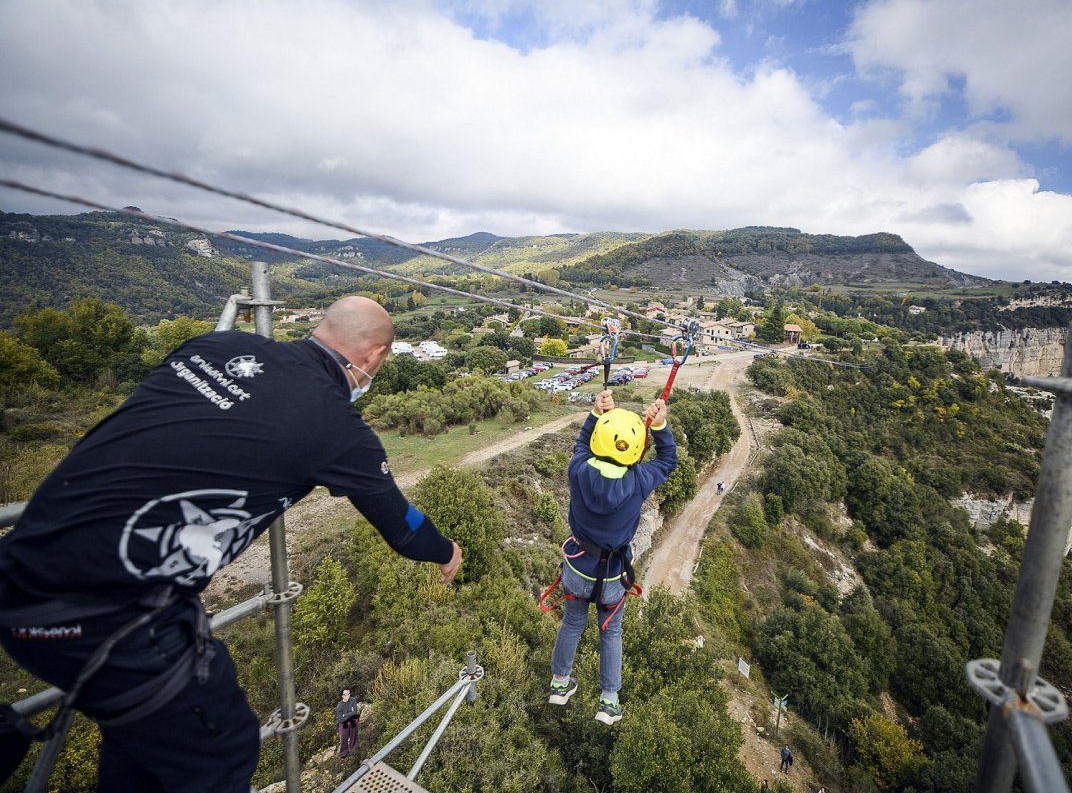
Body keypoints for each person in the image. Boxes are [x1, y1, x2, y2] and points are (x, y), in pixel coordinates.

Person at [0, 296, 462, 792]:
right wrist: (446, 551)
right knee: (221, 748)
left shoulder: (217, 346)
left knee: (147, 740)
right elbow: (404, 527)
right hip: (109, 613)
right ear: (373, 358)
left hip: (22, 559)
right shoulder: (336, 426)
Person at [547, 390, 676, 725]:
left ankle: (559, 684)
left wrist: (596, 414)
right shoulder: (638, 480)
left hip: (578, 566)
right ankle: (608, 701)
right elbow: (666, 461)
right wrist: (659, 427)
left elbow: (581, 444)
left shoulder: (578, 469)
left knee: (572, 623)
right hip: (613, 575)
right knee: (611, 632)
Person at [336, 689, 359, 758]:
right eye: (345, 694)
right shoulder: (339, 706)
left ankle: (353, 751)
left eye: (348, 693)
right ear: (342, 696)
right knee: (344, 738)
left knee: (353, 736)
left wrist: (345, 715)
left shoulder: (353, 700)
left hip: (352, 721)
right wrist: (350, 715)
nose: (347, 696)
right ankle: (343, 754)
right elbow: (340, 719)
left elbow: (355, 711)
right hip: (343, 723)